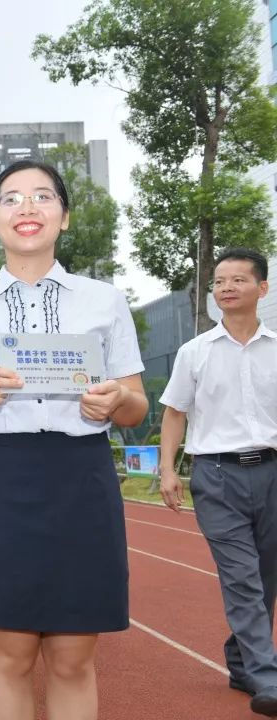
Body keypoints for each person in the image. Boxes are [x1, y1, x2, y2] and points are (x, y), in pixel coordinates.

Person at [0, 160, 148, 720]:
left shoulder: (105, 300)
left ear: (65, 217)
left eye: (43, 196)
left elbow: (137, 404)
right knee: (8, 653)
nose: (27, 208)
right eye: (11, 199)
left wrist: (116, 402)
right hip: (3, 478)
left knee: (75, 656)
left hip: (82, 475)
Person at [158, 247, 277, 717]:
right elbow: (174, 413)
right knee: (242, 577)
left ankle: (240, 656)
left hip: (272, 471)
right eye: (220, 281)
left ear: (261, 289)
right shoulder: (194, 352)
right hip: (217, 475)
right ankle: (267, 676)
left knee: (266, 577)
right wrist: (168, 470)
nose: (226, 287)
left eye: (238, 280)